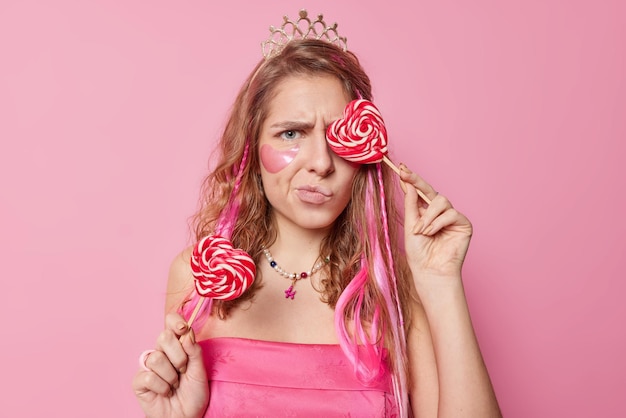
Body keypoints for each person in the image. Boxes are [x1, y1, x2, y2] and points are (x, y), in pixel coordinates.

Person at [132, 10, 502, 418]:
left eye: (336, 139)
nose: (321, 163)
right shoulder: (196, 281)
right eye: (291, 133)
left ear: (365, 152)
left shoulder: (393, 295)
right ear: (252, 150)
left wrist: (442, 282)